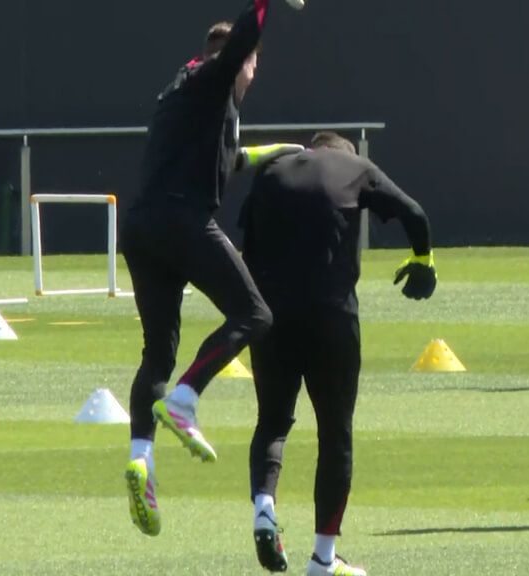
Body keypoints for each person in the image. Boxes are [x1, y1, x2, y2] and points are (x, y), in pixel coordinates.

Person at [121, 0, 304, 538]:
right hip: (180, 221)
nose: (252, 68)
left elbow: (231, 162)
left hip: (142, 229)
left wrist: (276, 152)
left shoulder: (187, 95)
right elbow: (244, 37)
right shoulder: (214, 78)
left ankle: (141, 459)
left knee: (157, 352)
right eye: (250, 59)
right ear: (244, 61)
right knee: (255, 314)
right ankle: (184, 400)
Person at [240, 132, 436, 575]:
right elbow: (415, 214)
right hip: (333, 319)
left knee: (272, 421)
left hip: (270, 317)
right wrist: (423, 263)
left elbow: (245, 248)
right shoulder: (358, 168)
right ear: (342, 154)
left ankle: (264, 508)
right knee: (335, 435)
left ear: (311, 149)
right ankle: (323, 559)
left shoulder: (272, 171)